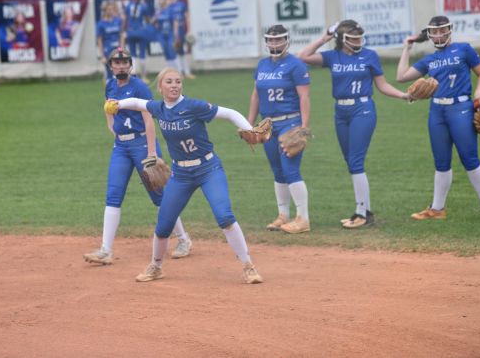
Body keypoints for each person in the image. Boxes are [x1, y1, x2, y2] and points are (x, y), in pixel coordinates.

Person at [105, 67, 263, 284]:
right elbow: (137, 103)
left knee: (224, 216)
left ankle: (248, 266)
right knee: (163, 225)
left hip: (208, 169)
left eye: (178, 81)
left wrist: (249, 128)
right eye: (169, 82)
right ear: (160, 87)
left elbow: (230, 113)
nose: (174, 85)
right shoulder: (158, 108)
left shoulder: (193, 106)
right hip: (181, 174)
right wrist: (118, 104)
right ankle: (156, 266)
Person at [84, 48, 193, 265]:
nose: (121, 66)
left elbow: (148, 120)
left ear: (130, 65)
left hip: (142, 144)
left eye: (125, 62)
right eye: (117, 62)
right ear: (111, 66)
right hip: (121, 147)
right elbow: (108, 109)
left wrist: (151, 152)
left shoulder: (139, 87)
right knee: (113, 195)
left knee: (159, 196)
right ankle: (106, 250)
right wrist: (112, 128)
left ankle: (183, 239)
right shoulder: (110, 85)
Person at [298, 20, 410, 228]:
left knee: (356, 161)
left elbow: (382, 85)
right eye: (353, 38)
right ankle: (364, 211)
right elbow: (303, 56)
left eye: (359, 38)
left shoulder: (369, 55)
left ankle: (362, 214)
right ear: (342, 39)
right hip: (341, 112)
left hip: (363, 109)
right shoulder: (333, 56)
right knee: (350, 162)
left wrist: (403, 95)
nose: (358, 41)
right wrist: (324, 38)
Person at [396, 15, 480, 220]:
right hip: (437, 112)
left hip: (460, 107)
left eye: (442, 30)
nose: (439, 34)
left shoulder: (464, 49)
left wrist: (479, 91)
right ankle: (437, 209)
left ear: (449, 30)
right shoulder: (430, 59)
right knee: (441, 161)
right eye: (434, 31)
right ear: (429, 34)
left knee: (470, 159)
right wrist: (406, 48)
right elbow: (401, 77)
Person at [247, 25, 311, 234]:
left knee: (290, 169)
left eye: (279, 39)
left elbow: (304, 97)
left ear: (287, 40)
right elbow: (256, 95)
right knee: (277, 170)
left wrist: (303, 127)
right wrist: (249, 124)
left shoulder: (296, 65)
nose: (274, 43)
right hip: (268, 125)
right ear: (266, 42)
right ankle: (283, 215)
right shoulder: (262, 64)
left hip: (289, 122)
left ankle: (303, 218)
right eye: (271, 40)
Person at [165, 0, 195, 79]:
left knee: (181, 51)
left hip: (181, 30)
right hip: (170, 31)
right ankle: (179, 73)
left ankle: (187, 72)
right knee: (174, 52)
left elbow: (187, 17)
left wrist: (189, 30)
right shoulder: (167, 6)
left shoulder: (181, 4)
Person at [124, 0, 151, 82]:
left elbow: (125, 19)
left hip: (130, 31)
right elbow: (148, 20)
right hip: (141, 31)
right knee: (142, 53)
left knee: (132, 54)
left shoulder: (128, 5)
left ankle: (133, 75)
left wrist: (124, 30)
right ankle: (143, 76)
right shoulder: (143, 6)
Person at [96, 0, 124, 84]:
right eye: (108, 9)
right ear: (105, 11)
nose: (110, 11)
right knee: (110, 72)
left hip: (117, 49)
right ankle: (109, 90)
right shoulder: (101, 24)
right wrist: (102, 56)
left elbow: (121, 35)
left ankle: (118, 90)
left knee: (119, 71)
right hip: (107, 50)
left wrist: (122, 48)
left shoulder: (118, 21)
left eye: (112, 9)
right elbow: (99, 40)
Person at [151, 0, 178, 70]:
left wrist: (175, 33)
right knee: (166, 52)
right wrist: (155, 19)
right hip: (161, 34)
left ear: (165, 0)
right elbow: (152, 22)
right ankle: (170, 69)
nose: (159, 1)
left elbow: (175, 22)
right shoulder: (158, 11)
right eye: (158, 0)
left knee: (171, 50)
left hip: (169, 34)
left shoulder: (170, 10)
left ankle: (176, 70)